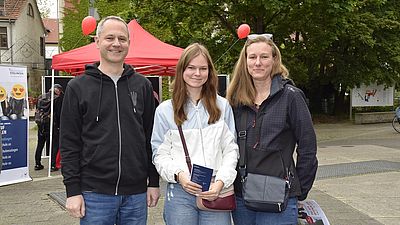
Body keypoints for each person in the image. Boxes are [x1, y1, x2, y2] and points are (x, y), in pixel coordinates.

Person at [59, 16, 160, 224]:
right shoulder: (78, 87)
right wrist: (72, 190)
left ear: (129, 44)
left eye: (122, 39)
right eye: (110, 38)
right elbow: (69, 143)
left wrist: (154, 181)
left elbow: (152, 137)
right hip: (94, 193)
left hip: (136, 193)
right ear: (97, 41)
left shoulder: (142, 86)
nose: (116, 44)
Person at [226, 34, 318, 225]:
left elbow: (308, 148)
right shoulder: (235, 100)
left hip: (280, 198)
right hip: (242, 198)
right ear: (245, 61)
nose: (257, 63)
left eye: (264, 57)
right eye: (252, 57)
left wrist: (299, 190)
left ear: (274, 60)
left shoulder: (291, 97)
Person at [151, 43, 239, 225]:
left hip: (216, 190)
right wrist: (179, 175)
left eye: (203, 68)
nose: (197, 73)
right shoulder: (165, 110)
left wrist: (221, 182)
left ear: (210, 72)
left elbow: (231, 151)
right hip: (180, 193)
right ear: (182, 70)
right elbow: (159, 155)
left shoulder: (223, 106)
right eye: (191, 67)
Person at [34, 89, 51, 170]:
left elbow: (37, 108)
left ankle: (37, 163)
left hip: (40, 122)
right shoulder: (54, 98)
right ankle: (52, 164)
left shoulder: (41, 97)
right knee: (51, 144)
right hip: (48, 123)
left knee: (40, 144)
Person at [50, 84, 63, 172]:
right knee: (56, 145)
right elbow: (59, 113)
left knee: (52, 145)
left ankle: (38, 162)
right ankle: (54, 164)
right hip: (57, 125)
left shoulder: (42, 97)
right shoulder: (59, 98)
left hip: (47, 124)